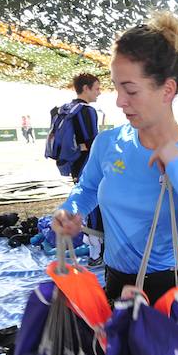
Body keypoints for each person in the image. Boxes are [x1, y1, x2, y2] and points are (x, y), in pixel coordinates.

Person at [51, 12, 178, 304]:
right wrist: (71, 209)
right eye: (116, 87)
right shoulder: (109, 144)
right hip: (118, 289)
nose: (119, 101)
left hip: (174, 295)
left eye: (130, 90)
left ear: (167, 90)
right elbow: (87, 188)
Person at [68, 73, 103, 266]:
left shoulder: (67, 109)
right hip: (86, 165)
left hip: (74, 164)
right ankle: (95, 254)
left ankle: (93, 250)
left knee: (84, 205)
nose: (99, 92)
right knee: (96, 207)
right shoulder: (87, 111)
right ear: (86, 88)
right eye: (96, 88)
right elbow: (92, 143)